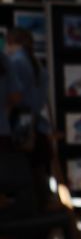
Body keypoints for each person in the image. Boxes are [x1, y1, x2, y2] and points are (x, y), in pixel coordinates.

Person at [6, 27, 53, 166]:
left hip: (17, 127)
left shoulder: (14, 62)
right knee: (36, 172)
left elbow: (12, 97)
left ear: (10, 42)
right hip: (36, 127)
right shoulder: (38, 65)